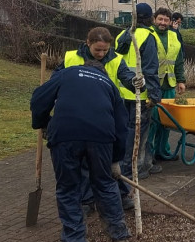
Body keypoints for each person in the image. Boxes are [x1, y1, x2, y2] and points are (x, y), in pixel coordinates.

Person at [30, 60, 133, 242]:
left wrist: (43, 124)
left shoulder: (67, 73)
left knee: (69, 189)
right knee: (105, 184)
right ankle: (120, 238)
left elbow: (38, 99)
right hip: (101, 137)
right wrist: (115, 159)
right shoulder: (109, 84)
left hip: (66, 136)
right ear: (101, 71)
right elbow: (122, 124)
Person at [59, 27, 142, 213]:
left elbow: (127, 77)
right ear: (88, 43)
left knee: (111, 159)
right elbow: (57, 80)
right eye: (97, 50)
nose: (101, 53)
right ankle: (87, 200)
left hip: (107, 115)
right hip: (78, 114)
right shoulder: (71, 58)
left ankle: (120, 194)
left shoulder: (116, 59)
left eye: (105, 50)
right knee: (83, 162)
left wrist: (135, 81)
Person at [114, 2, 161, 181]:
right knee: (138, 134)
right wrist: (154, 96)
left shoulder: (122, 35)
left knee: (125, 131)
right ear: (149, 18)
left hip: (123, 93)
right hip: (140, 94)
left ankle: (128, 165)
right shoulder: (147, 36)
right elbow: (150, 69)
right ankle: (134, 168)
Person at [147, 7, 187, 160]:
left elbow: (178, 61)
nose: (163, 22)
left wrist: (181, 80)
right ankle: (149, 155)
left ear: (171, 22)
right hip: (152, 86)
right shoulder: (149, 35)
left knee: (166, 121)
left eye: (166, 20)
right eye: (160, 19)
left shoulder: (173, 36)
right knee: (152, 122)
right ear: (154, 19)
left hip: (169, 84)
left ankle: (162, 151)